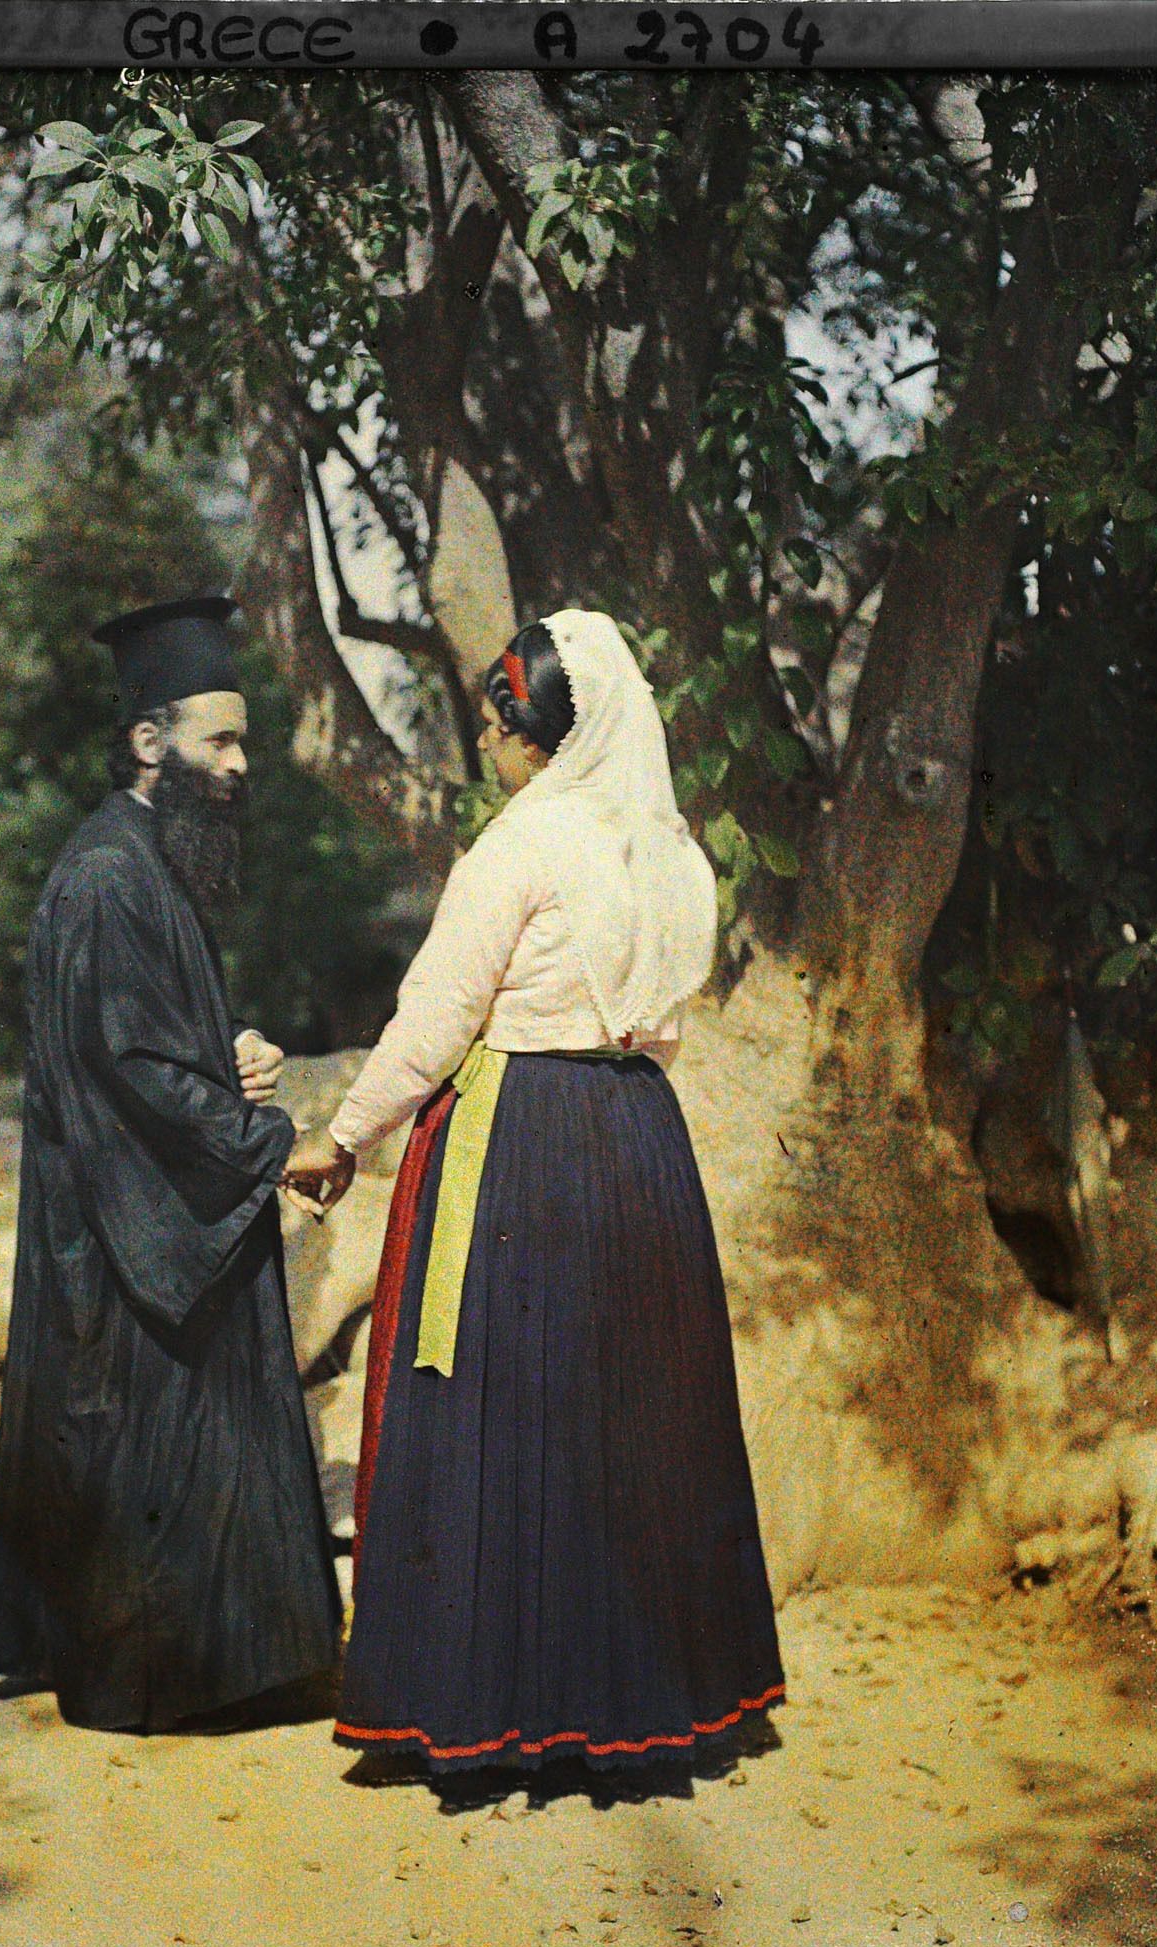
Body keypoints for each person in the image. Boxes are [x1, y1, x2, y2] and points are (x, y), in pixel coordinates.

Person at [285, 608, 784, 1778]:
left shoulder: (519, 842)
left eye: (498, 729)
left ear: (532, 734)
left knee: (493, 1402)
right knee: (622, 1414)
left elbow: (439, 1015)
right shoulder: (669, 851)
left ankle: (489, 1705)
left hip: (515, 1132)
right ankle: (637, 1704)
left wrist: (346, 1132)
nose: (492, 751)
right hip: (637, 1137)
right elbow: (660, 1026)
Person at [0, 595, 342, 1733]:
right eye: (218, 740)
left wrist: (228, 1052)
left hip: (140, 1195)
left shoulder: (147, 858)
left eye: (244, 739)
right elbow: (127, 1067)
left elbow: (143, 1034)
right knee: (147, 1441)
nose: (242, 763)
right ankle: (171, 1676)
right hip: (122, 1224)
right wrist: (270, 1141)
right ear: (149, 742)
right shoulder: (107, 875)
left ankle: (229, 1660)